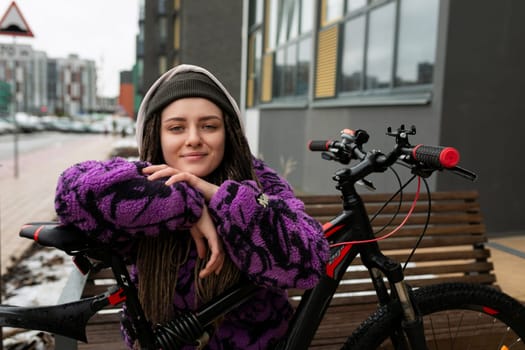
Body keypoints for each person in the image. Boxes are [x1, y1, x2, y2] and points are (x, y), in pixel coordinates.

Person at [54, 64, 329, 349]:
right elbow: (69, 194)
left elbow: (309, 261)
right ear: (156, 134)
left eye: (209, 126)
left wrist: (221, 197)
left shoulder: (262, 183)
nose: (194, 138)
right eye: (176, 128)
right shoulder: (140, 182)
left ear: (229, 132)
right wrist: (185, 204)